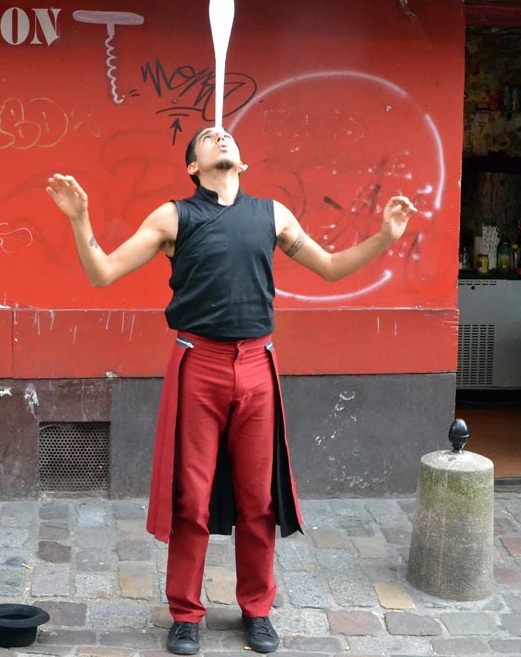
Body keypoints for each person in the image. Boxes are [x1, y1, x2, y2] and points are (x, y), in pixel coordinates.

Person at [46, 127, 417, 655]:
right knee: (191, 498)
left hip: (258, 365)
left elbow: (331, 268)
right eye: (207, 138)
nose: (221, 138)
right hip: (199, 364)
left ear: (241, 160)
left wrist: (385, 237)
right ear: (193, 167)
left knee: (259, 498)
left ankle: (257, 610)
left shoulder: (273, 215)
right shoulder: (174, 217)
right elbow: (103, 273)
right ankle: (185, 614)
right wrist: (80, 218)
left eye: (226, 135)